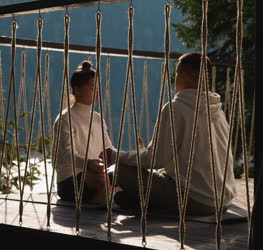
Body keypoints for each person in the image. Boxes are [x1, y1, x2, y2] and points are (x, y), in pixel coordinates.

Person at [102, 52, 237, 216]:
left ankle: (143, 202)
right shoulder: (218, 110)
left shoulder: (176, 108)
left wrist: (114, 155)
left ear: (185, 75)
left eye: (177, 74)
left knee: (117, 170)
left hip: (195, 200)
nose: (175, 80)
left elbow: (153, 160)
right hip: (223, 202)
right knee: (125, 197)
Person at [53, 61, 113, 205]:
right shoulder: (65, 118)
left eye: (98, 88)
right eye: (92, 87)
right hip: (70, 180)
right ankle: (106, 198)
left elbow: (108, 151)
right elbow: (67, 155)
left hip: (96, 174)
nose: (97, 91)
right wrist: (89, 164)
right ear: (77, 90)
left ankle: (106, 198)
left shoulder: (97, 118)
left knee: (124, 177)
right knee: (99, 180)